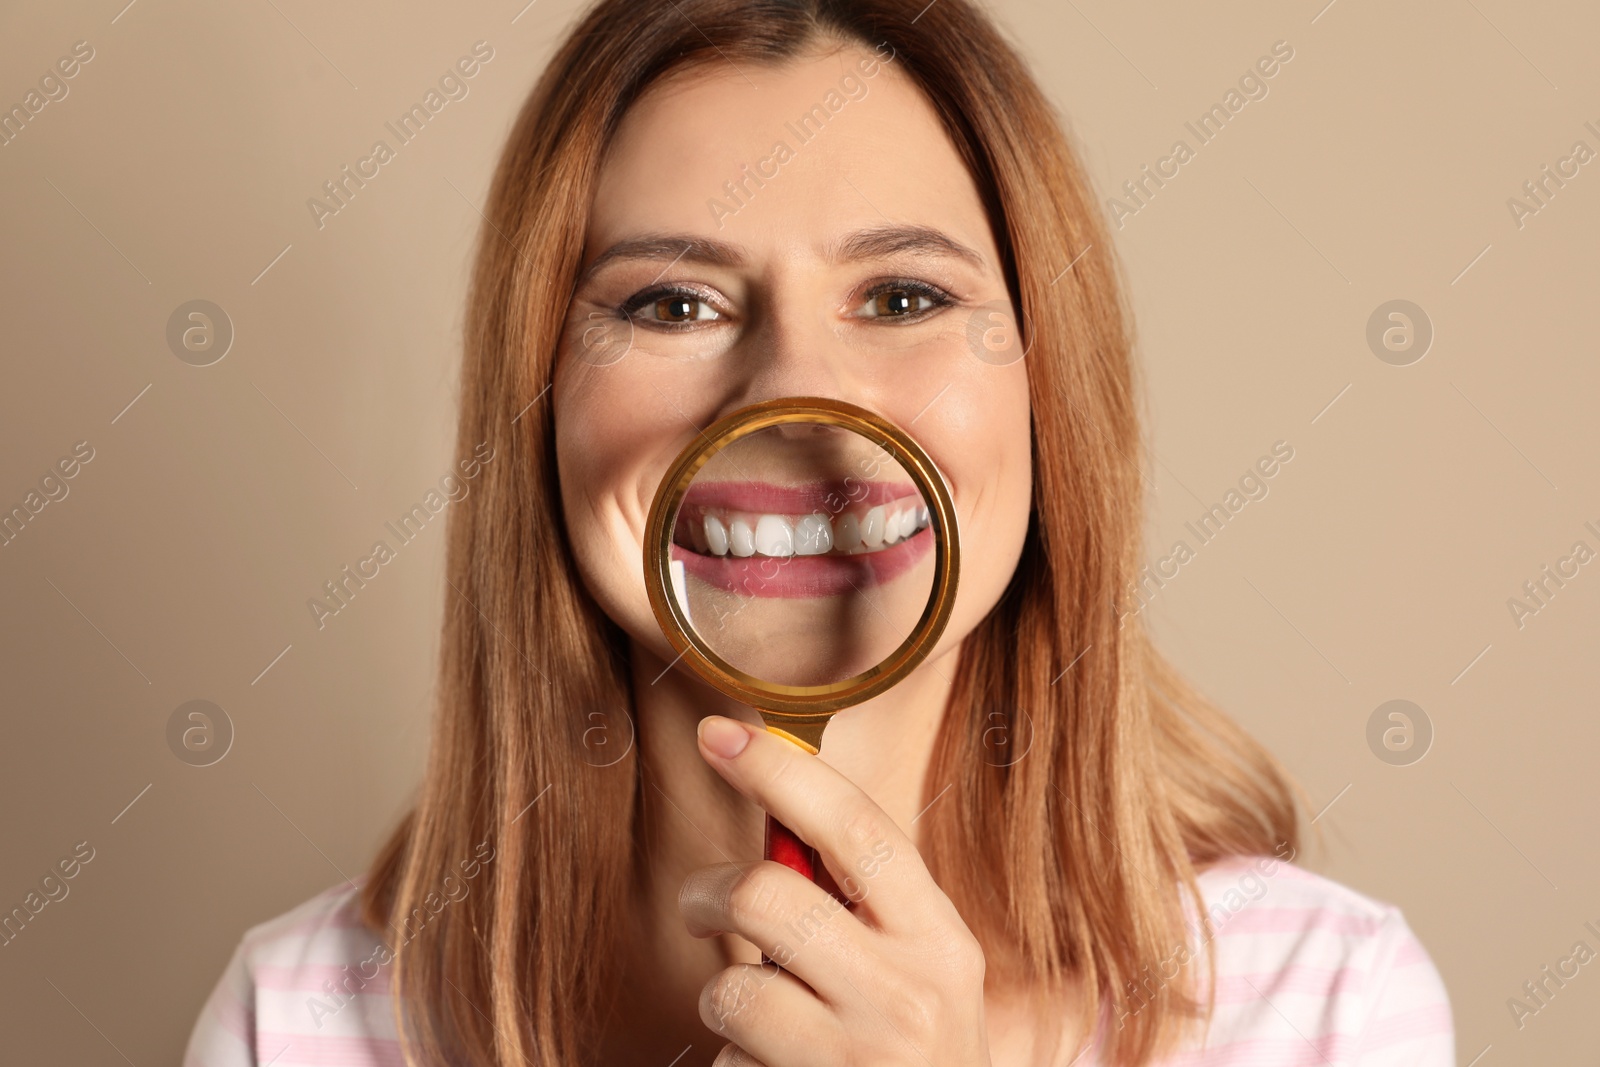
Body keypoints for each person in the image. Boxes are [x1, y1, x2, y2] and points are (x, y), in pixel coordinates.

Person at [184, 0, 1454, 1063]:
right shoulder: (304, 1018)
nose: (798, 396)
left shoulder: (1322, 1008)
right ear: (538, 404)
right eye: (672, 302)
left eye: (902, 294)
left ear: (1047, 392)